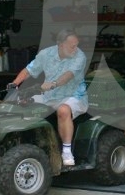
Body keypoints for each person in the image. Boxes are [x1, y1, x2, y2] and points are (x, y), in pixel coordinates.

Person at [10, 29, 89, 166]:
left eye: (76, 45)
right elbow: (29, 70)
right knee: (20, 105)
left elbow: (68, 76)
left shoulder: (80, 56)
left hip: (74, 96)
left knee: (63, 110)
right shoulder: (45, 54)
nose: (75, 49)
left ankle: (66, 151)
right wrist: (14, 84)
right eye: (72, 46)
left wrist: (53, 84)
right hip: (49, 96)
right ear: (60, 44)